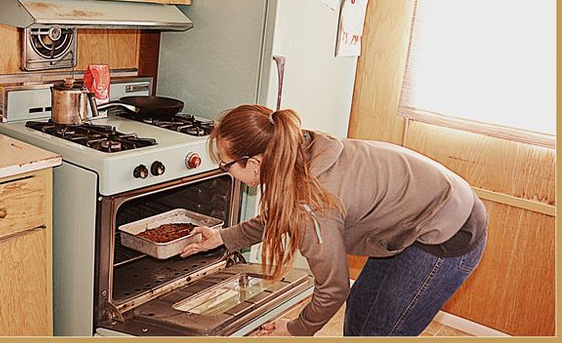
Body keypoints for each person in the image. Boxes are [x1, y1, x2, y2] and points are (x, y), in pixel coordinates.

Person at [181, 104, 488, 337]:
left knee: (382, 332)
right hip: (414, 216)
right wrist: (223, 237)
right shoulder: (294, 151)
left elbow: (333, 289)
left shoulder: (312, 204)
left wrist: (294, 329)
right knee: (361, 312)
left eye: (226, 165)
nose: (225, 169)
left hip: (450, 228)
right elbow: (282, 214)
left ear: (258, 163)